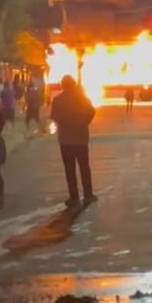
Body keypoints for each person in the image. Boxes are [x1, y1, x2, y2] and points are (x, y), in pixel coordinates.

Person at [51, 75, 97, 209]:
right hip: (81, 138)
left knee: (69, 169)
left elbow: (54, 116)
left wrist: (65, 123)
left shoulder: (58, 100)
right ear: (74, 84)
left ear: (63, 85)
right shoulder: (82, 99)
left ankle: (74, 197)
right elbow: (91, 112)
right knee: (84, 167)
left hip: (65, 140)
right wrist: (84, 123)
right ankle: (88, 195)